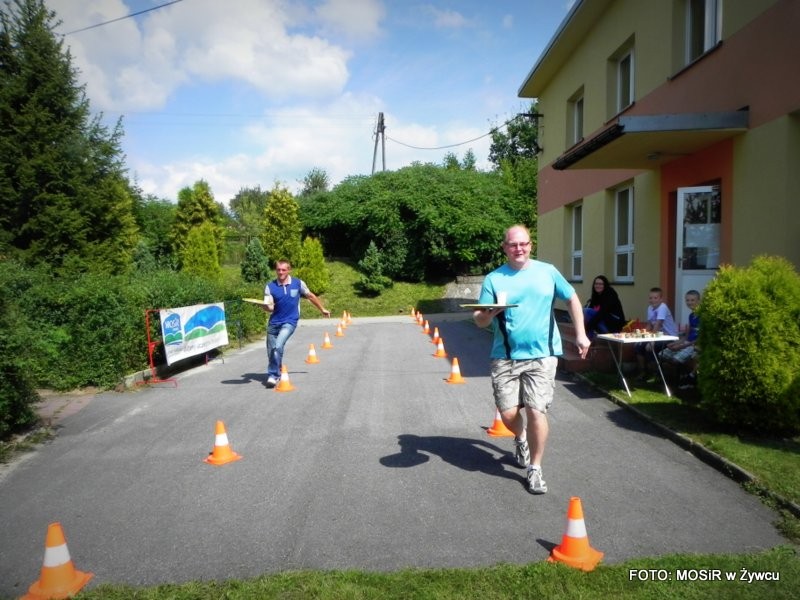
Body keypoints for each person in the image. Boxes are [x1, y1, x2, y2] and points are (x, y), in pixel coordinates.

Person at [473, 225, 590, 495]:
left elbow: (572, 298)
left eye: (523, 243)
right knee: (508, 414)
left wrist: (581, 334)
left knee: (537, 411)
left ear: (530, 245)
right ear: (504, 247)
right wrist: (488, 314)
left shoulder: (547, 272)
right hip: (506, 356)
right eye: (513, 244)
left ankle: (535, 469)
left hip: (542, 356)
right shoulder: (494, 279)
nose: (519, 249)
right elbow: (479, 320)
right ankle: (520, 436)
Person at [262, 259, 331, 387]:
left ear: (289, 270)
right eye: (278, 270)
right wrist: (265, 307)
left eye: (283, 270)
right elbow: (270, 308)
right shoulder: (270, 287)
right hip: (273, 324)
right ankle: (277, 369)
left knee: (278, 346)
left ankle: (273, 375)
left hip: (290, 321)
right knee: (272, 351)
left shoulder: (298, 283)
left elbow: (310, 296)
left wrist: (322, 309)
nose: (280, 272)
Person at [635, 287, 678, 382]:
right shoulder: (650, 308)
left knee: (651, 348)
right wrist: (640, 336)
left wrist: (652, 340)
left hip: (669, 337)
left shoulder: (663, 307)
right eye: (650, 298)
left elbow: (658, 324)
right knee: (638, 346)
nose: (653, 300)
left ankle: (657, 375)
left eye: (655, 298)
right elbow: (649, 325)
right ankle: (643, 372)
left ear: (661, 299)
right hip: (658, 335)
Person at [660, 290, 701, 388]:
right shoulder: (691, 315)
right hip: (687, 343)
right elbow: (687, 336)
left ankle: (687, 379)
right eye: (687, 300)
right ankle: (680, 377)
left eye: (692, 300)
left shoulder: (702, 316)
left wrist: (681, 346)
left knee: (675, 359)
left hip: (695, 345)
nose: (689, 302)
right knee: (662, 354)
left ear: (699, 301)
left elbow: (700, 338)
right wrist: (676, 343)